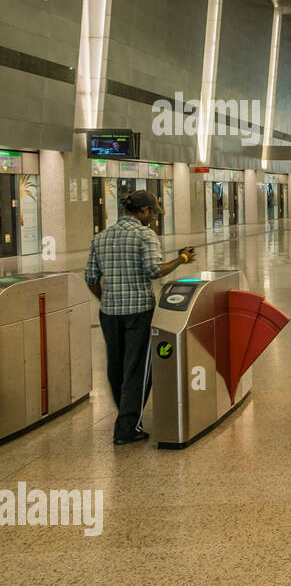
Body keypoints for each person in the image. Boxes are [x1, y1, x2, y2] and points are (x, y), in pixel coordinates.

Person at [83, 190, 196, 446]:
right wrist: (181, 258)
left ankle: (126, 416)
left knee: (116, 366)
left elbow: (90, 277)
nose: (153, 218)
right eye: (153, 212)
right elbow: (154, 270)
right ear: (143, 211)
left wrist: (105, 299)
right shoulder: (145, 235)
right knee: (138, 368)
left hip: (109, 313)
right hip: (138, 312)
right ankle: (127, 427)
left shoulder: (100, 237)